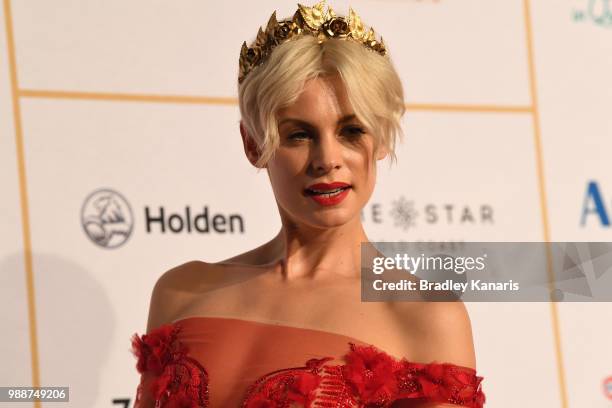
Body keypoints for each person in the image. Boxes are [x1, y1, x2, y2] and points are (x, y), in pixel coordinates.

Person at [130, 1, 486, 407]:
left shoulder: (423, 316)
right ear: (253, 144)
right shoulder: (180, 292)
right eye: (299, 134)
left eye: (352, 130)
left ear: (382, 139)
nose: (327, 159)